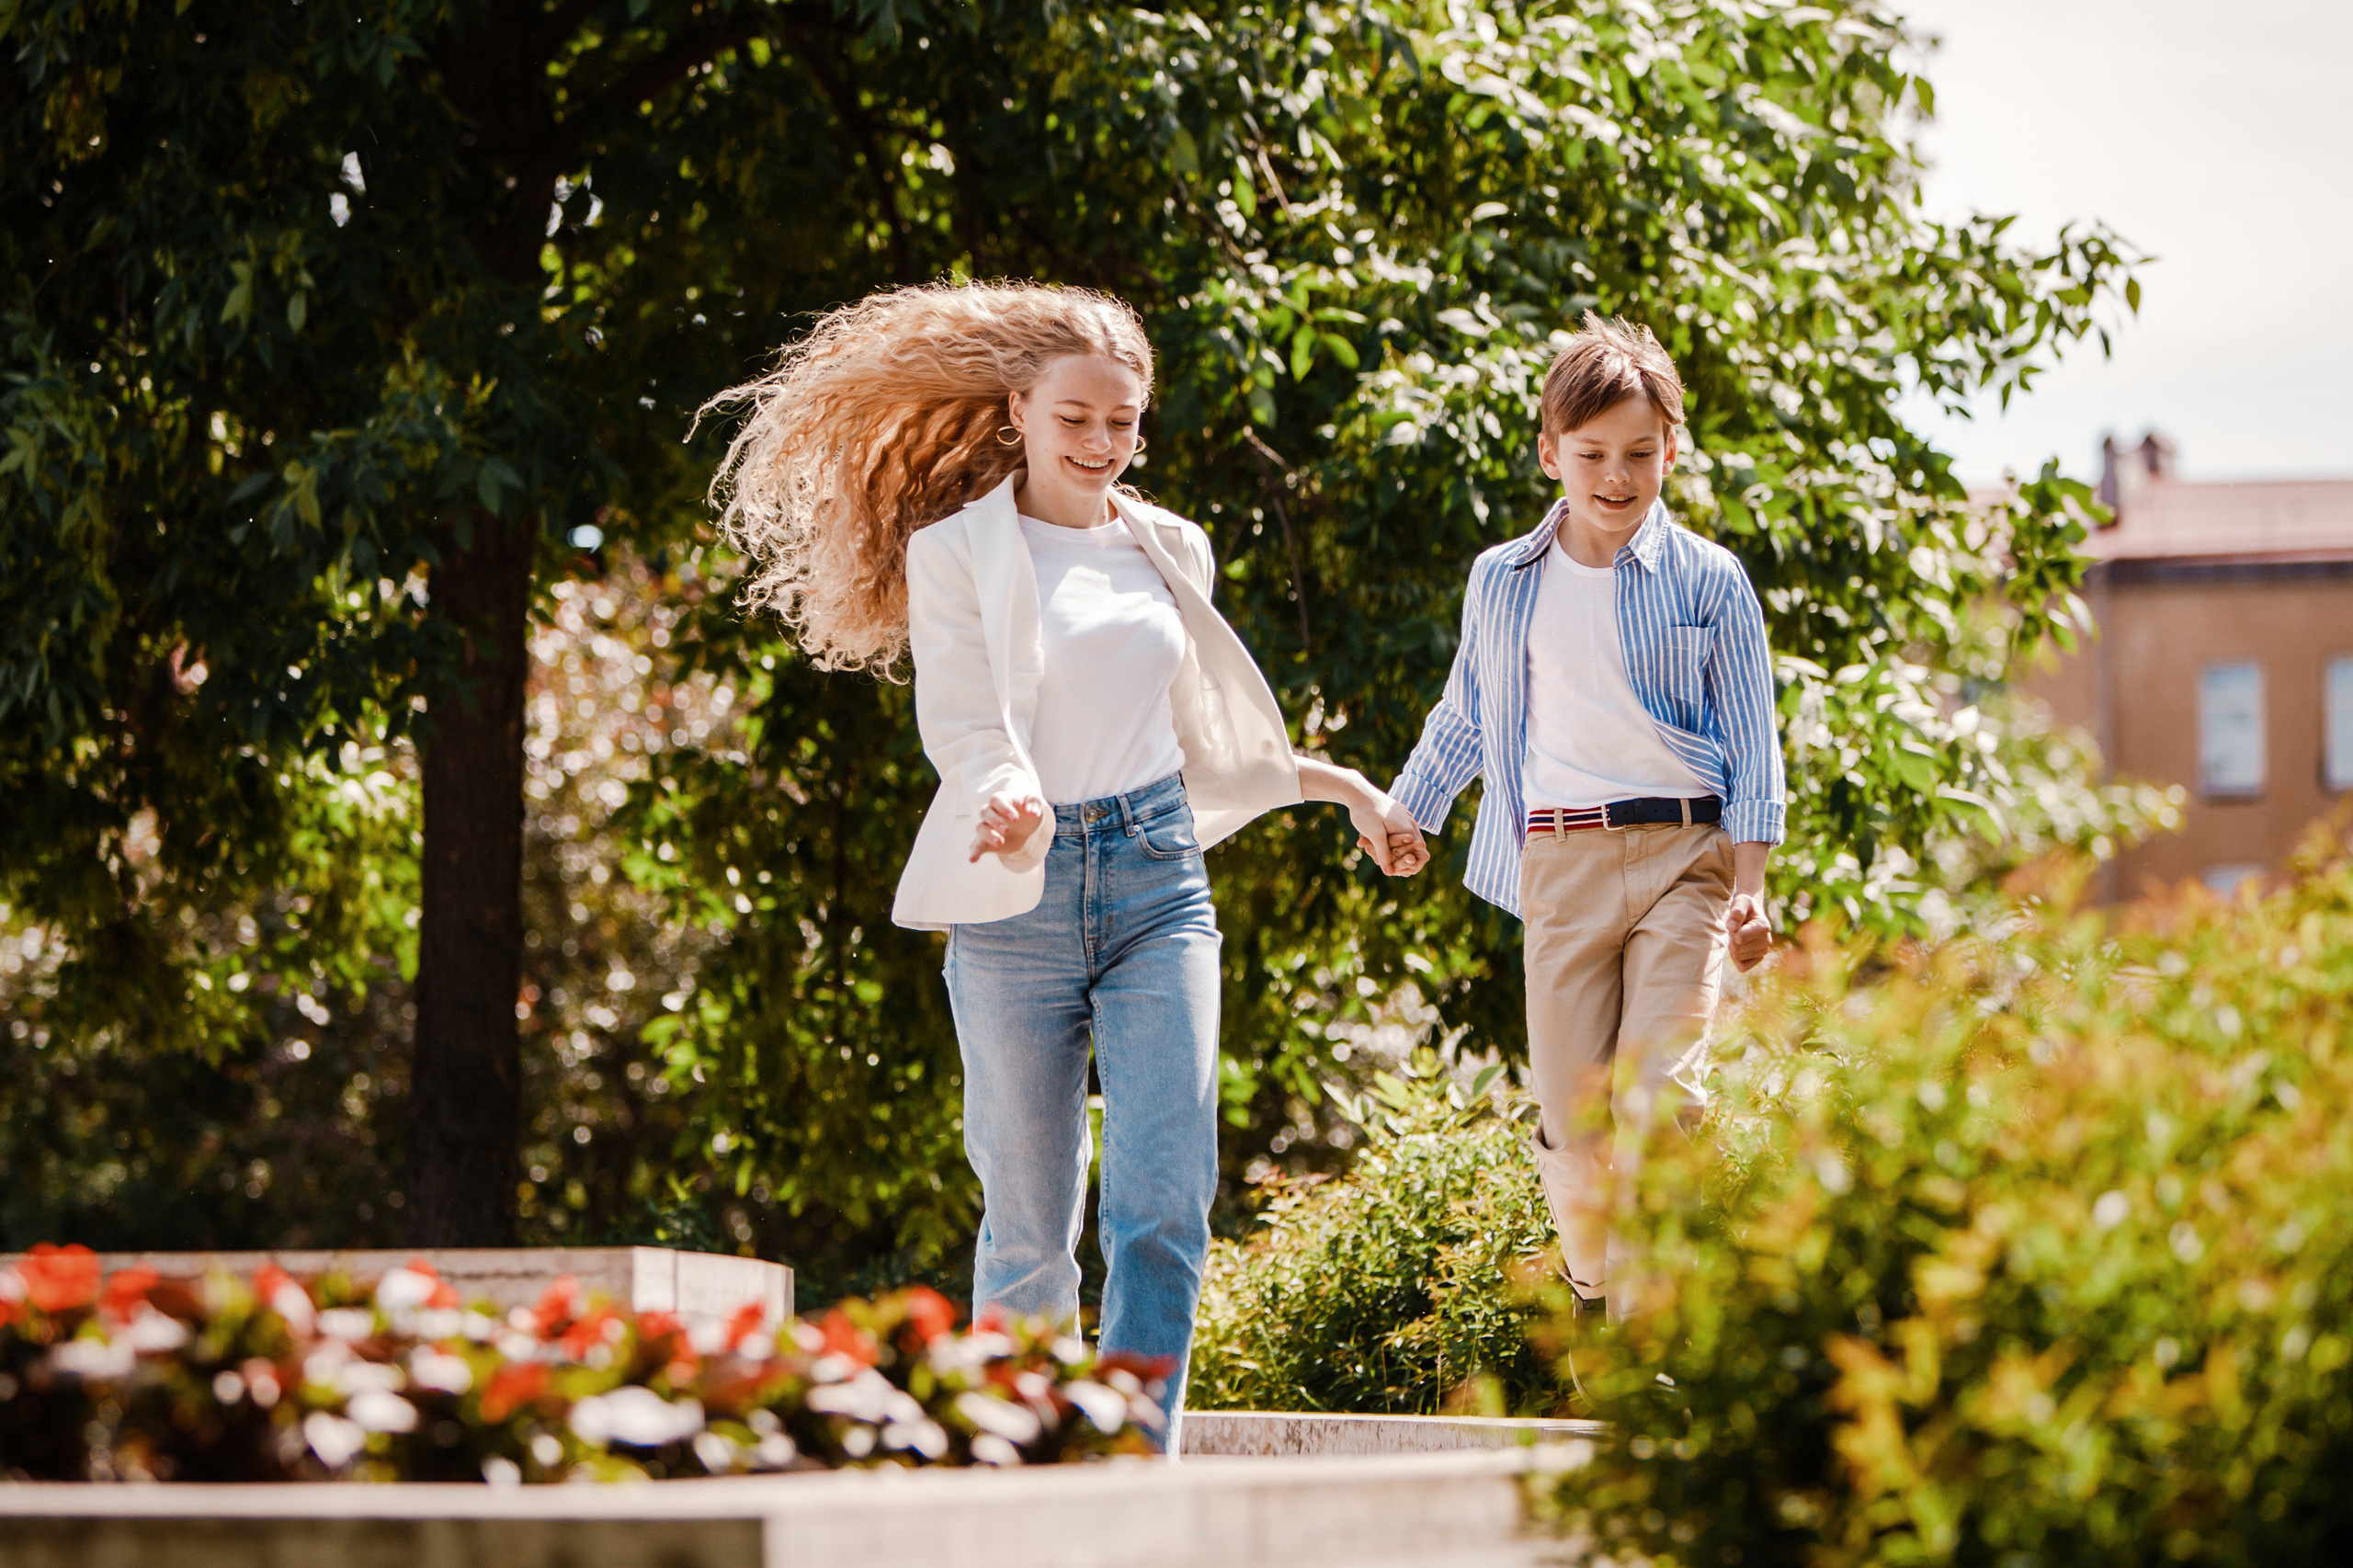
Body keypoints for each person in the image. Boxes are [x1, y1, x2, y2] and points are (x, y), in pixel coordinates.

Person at [704, 280, 1427, 1449]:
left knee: (1162, 1202)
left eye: (1123, 420)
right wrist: (1003, 793)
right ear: (1019, 411)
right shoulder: (957, 552)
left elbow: (1211, 749)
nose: (1101, 443)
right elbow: (968, 723)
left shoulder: (1171, 546)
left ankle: (1131, 1462)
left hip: (1156, 878)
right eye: (1076, 419)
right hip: (1014, 901)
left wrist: (1343, 786)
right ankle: (1025, 1465)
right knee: (1031, 1222)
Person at [1386, 312, 1783, 1318]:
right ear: (1549, 451)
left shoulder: (1710, 579)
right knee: (1572, 1120)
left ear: (1670, 453)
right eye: (1593, 453)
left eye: (1639, 454)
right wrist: (1409, 810)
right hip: (1559, 861)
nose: (1616, 476)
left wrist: (1750, 887)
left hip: (1684, 860)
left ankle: (1647, 1333)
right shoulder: (1503, 579)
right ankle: (1594, 1287)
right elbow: (1468, 711)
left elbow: (1753, 741)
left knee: (1662, 1098)